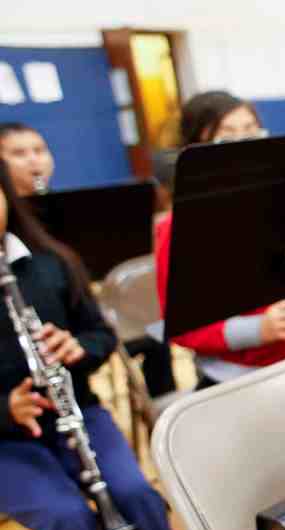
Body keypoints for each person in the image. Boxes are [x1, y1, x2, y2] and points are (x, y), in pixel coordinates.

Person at [0, 159, 219, 530]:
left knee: (139, 497)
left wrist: (78, 348)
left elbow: (100, 337)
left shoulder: (49, 264)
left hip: (79, 416)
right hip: (7, 445)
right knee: (65, 521)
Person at [153, 91, 285, 387]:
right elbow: (182, 329)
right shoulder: (177, 228)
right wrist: (260, 329)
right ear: (196, 149)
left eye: (251, 132)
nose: (244, 146)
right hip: (238, 375)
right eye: (228, 136)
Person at [0, 121, 179, 398]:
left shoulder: (73, 210)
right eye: (20, 153)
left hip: (92, 321)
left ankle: (163, 406)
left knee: (156, 333)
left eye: (40, 150)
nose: (34, 159)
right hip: (48, 340)